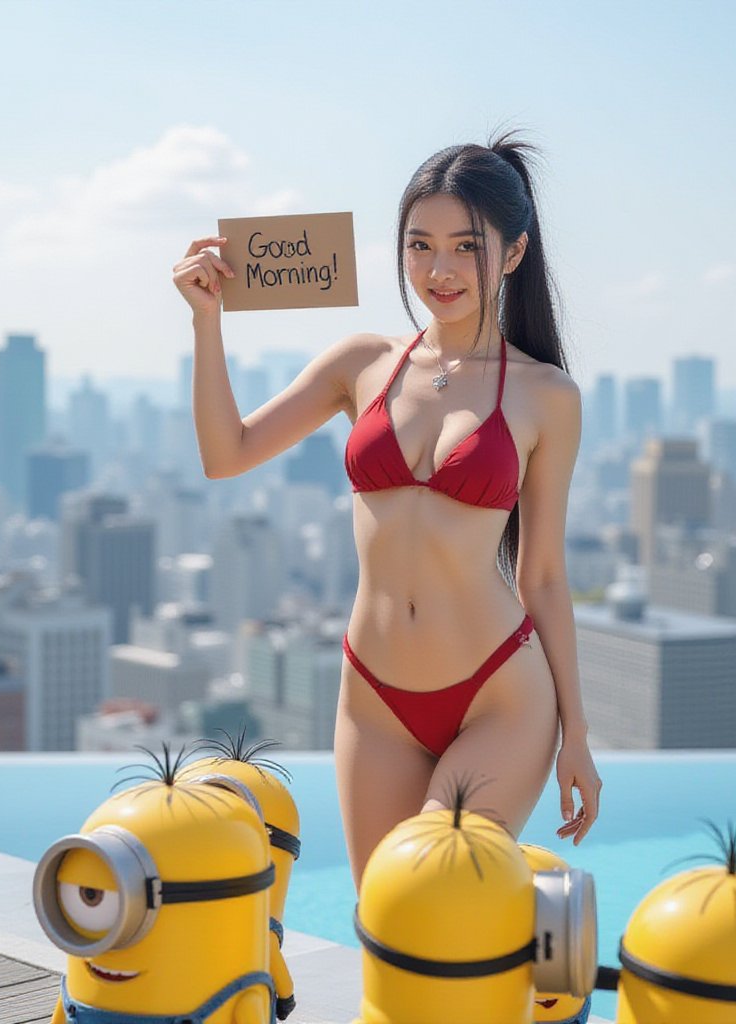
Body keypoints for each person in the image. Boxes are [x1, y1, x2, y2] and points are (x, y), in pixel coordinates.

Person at [173, 132, 602, 890]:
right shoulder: (361, 364)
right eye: (420, 244)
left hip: (499, 696)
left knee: (435, 905)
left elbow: (542, 578)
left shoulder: (546, 396)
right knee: (383, 924)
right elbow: (226, 454)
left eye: (467, 246)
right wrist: (208, 322)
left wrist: (577, 736)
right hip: (374, 700)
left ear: (512, 253)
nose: (439, 270)